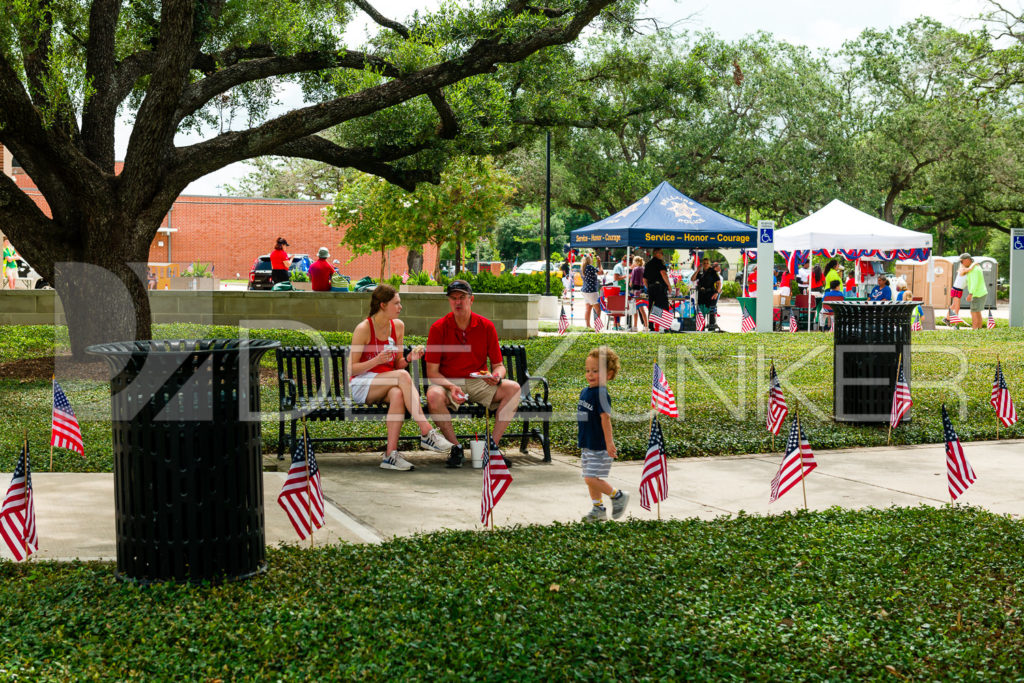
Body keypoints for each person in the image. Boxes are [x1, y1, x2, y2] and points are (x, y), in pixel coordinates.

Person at [349, 285, 456, 471]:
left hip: (388, 380)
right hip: (363, 383)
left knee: (398, 393)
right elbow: (351, 368)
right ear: (382, 305)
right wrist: (375, 361)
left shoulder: (398, 326)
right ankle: (426, 432)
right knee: (402, 377)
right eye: (396, 303)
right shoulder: (364, 328)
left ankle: (390, 455)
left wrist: (408, 358)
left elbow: (398, 364)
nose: (400, 307)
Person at [425, 280, 522, 468]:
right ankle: (456, 448)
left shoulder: (486, 326)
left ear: (471, 300)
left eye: (462, 297)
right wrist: (451, 386)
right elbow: (432, 372)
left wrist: (496, 376)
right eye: (453, 298)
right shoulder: (438, 328)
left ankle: (492, 448)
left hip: (479, 381)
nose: (458, 302)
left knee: (514, 388)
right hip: (449, 382)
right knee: (432, 395)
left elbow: (499, 365)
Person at [578, 346, 628, 522]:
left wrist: (609, 443)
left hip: (599, 445)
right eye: (588, 370)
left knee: (590, 478)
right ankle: (598, 509)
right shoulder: (586, 391)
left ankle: (618, 495)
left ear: (609, 374)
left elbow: (605, 419)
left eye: (595, 371)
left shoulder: (601, 394)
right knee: (591, 478)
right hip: (587, 443)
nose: (590, 374)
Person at [643, 248, 671, 330]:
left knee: (652, 307)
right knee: (664, 306)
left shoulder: (648, 264)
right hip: (660, 288)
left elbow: (644, 279)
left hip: (651, 288)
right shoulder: (659, 263)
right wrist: (669, 285)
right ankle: (665, 326)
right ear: (657, 253)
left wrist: (649, 287)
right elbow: (663, 274)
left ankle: (651, 326)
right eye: (661, 253)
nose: (662, 255)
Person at [960, 253, 989, 330]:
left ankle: (974, 329)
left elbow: (974, 282)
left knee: (973, 312)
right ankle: (978, 330)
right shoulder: (975, 267)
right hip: (981, 292)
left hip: (977, 294)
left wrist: (970, 294)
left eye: (962, 261)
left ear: (967, 260)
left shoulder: (974, 269)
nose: (961, 263)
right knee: (977, 311)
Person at [947, 255, 977, 322]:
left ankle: (947, 318)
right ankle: (956, 324)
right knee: (957, 307)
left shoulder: (966, 270)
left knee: (954, 306)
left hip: (959, 290)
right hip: (956, 290)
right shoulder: (962, 269)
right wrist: (975, 264)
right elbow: (970, 269)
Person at [694, 258, 721, 331]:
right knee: (701, 312)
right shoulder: (700, 272)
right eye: (704, 263)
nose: (705, 264)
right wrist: (697, 270)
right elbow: (692, 279)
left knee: (711, 312)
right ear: (702, 264)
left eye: (707, 263)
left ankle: (711, 328)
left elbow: (719, 283)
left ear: (709, 264)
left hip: (710, 294)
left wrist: (717, 293)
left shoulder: (713, 272)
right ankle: (701, 328)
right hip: (701, 295)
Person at [579, 254, 603, 330]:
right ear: (589, 260)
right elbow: (600, 272)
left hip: (585, 290)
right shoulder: (589, 267)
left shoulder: (582, 268)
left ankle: (588, 326)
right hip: (591, 290)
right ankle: (597, 327)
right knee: (598, 309)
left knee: (588, 308)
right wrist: (599, 263)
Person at [628, 255, 647, 331]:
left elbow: (631, 282)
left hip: (635, 290)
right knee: (642, 309)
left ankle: (635, 326)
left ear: (635, 262)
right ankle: (646, 326)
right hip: (642, 289)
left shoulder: (635, 269)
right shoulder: (644, 269)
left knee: (635, 309)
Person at [611, 254, 629, 330]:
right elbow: (615, 278)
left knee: (620, 308)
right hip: (617, 289)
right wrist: (626, 276)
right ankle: (615, 325)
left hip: (621, 289)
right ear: (625, 261)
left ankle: (618, 324)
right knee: (617, 308)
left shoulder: (622, 267)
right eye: (627, 263)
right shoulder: (618, 267)